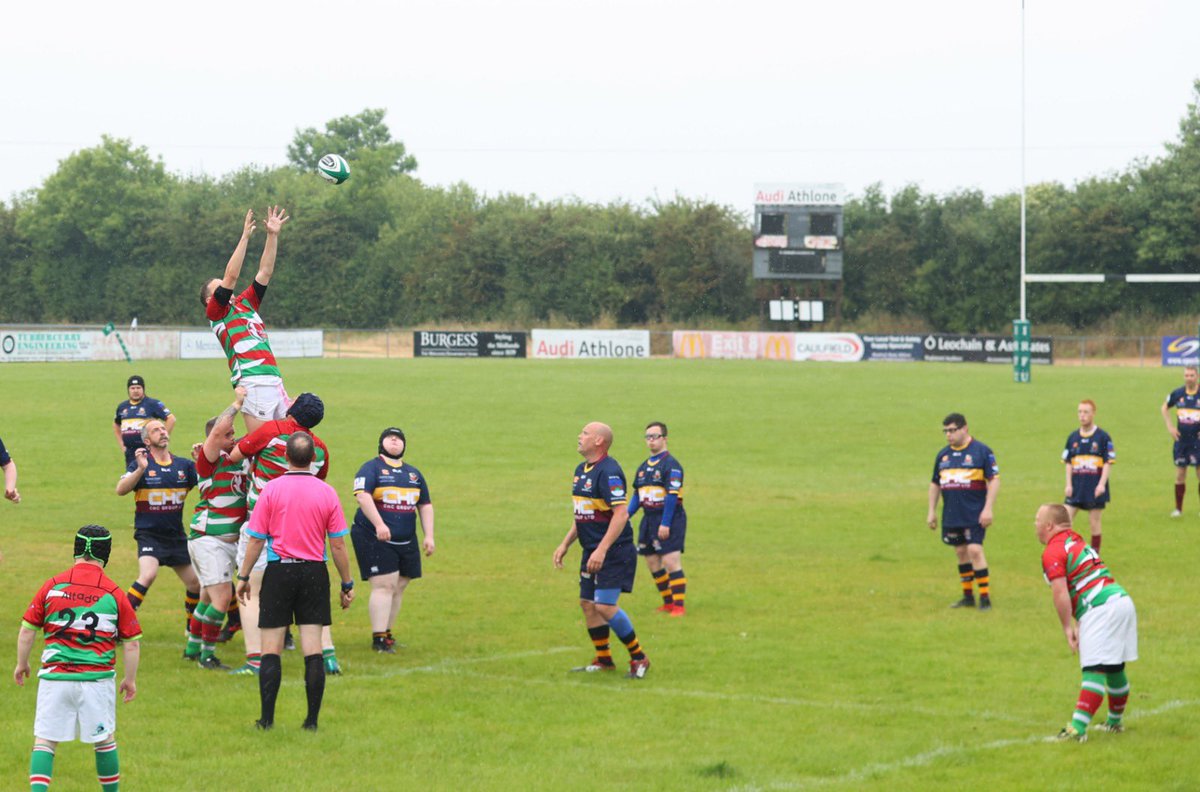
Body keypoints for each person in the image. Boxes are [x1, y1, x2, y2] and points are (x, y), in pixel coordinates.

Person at [236, 433, 355, 731]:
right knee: (313, 648)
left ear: (285, 457)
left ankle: (267, 720)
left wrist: (244, 576)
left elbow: (255, 541)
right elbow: (338, 545)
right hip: (314, 573)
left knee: (271, 648)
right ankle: (311, 721)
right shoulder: (326, 492)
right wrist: (347, 583)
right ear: (313, 458)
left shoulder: (271, 490)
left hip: (279, 572)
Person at [14, 525, 142, 792]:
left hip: (55, 678)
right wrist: (130, 680)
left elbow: (27, 631)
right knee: (104, 741)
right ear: (105, 554)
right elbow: (131, 645)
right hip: (96, 682)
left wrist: (22, 663)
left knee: (45, 742)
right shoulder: (114, 593)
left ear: (76, 550)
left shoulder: (52, 586)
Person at [225, 393, 339, 675]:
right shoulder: (320, 448)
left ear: (291, 409)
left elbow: (234, 455)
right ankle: (327, 655)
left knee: (252, 589)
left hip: (263, 523)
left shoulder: (272, 431)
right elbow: (315, 482)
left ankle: (255, 659)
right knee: (312, 591)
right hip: (303, 529)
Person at [553, 422, 650, 679]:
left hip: (614, 550)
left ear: (598, 441)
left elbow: (620, 514)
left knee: (605, 605)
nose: (579, 435)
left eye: (584, 433)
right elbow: (583, 514)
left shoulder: (609, 472)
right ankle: (604, 659)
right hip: (592, 549)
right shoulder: (581, 470)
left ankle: (639, 657)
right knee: (587, 604)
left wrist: (602, 550)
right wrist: (565, 544)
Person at [1036, 503, 1137, 742]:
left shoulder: (1052, 550)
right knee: (1114, 666)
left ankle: (1077, 730)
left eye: (1037, 520)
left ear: (1049, 525)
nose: (1035, 525)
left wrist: (1067, 627)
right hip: (1120, 600)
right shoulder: (1077, 541)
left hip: (1100, 609)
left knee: (1094, 668)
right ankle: (1114, 722)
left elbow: (1060, 592)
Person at [200, 206, 291, 436]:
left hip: (274, 378)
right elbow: (231, 276)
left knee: (286, 445)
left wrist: (272, 236)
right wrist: (245, 237)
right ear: (211, 298)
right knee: (264, 445)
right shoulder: (217, 312)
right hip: (254, 381)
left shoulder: (245, 304)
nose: (226, 287)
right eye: (219, 287)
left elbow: (265, 272)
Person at [114, 420, 201, 643]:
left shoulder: (183, 466)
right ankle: (117, 627)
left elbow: (207, 485)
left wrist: (201, 462)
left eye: (163, 429)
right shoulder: (141, 464)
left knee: (195, 584)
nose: (162, 432)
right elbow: (121, 490)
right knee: (148, 574)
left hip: (176, 536)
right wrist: (141, 468)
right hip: (149, 534)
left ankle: (192, 630)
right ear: (146, 440)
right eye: (156, 430)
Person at [350, 428, 435, 653]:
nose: (395, 440)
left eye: (399, 438)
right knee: (384, 584)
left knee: (400, 584)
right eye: (390, 437)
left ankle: (387, 633)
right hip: (372, 535)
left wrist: (429, 536)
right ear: (381, 443)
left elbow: (425, 505)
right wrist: (379, 524)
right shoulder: (371, 468)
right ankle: (378, 638)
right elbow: (362, 496)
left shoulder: (413, 475)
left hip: (406, 538)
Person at [184, 389, 250, 670]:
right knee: (222, 600)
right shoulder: (208, 461)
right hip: (209, 538)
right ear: (213, 438)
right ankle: (206, 656)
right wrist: (237, 403)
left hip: (223, 541)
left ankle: (191, 647)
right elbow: (219, 431)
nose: (232, 437)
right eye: (227, 435)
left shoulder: (241, 458)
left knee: (208, 598)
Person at [927, 412, 1000, 610]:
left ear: (965, 428)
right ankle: (968, 596)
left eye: (952, 430)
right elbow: (935, 484)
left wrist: (988, 508)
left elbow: (994, 480)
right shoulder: (943, 455)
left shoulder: (981, 451)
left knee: (974, 550)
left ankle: (985, 598)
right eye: (946, 431)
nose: (948, 435)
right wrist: (931, 511)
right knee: (960, 551)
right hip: (951, 514)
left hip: (974, 513)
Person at [626, 421, 688, 616]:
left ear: (665, 439)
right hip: (649, 518)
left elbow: (671, 496)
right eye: (648, 437)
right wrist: (625, 516)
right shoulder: (643, 467)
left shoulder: (672, 465)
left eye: (655, 436)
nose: (651, 441)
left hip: (669, 517)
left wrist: (665, 523)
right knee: (652, 561)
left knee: (671, 561)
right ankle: (668, 602)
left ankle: (679, 606)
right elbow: (638, 495)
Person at [1063, 399, 1116, 551]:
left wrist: (1101, 484)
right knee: (1065, 519)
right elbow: (1068, 462)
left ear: (1093, 414)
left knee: (1094, 523)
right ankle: (1068, 551)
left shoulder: (1103, 437)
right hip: (1076, 487)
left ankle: (1095, 556)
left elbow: (1108, 462)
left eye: (1086, 412)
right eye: (1080, 412)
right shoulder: (1073, 438)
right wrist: (1068, 484)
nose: (1082, 415)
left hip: (1094, 487)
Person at [1161, 364, 1200, 516]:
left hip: (1197, 442)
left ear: (1196, 377)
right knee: (1180, 475)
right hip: (1182, 441)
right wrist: (1170, 427)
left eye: (1191, 375)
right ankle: (1178, 509)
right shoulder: (1178, 393)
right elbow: (1164, 408)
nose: (1189, 378)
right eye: (1187, 375)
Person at [113, 375, 175, 468]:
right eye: (132, 388)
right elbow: (116, 424)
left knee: (151, 478)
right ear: (128, 390)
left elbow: (171, 419)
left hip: (148, 451)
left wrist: (160, 438)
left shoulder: (153, 404)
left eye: (138, 388)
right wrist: (122, 445)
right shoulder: (122, 407)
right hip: (130, 452)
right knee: (132, 479)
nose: (135, 391)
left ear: (143, 389)